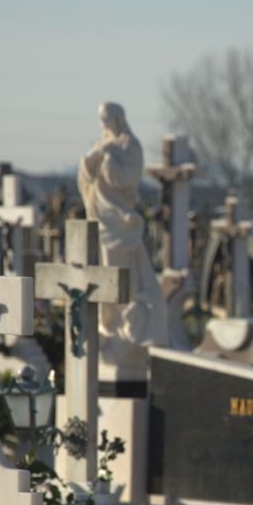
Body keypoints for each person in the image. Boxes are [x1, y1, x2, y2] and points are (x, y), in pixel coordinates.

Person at [78, 102, 167, 353]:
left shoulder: (130, 145)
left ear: (118, 118)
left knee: (122, 275)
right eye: (100, 119)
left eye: (107, 118)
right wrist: (95, 157)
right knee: (103, 271)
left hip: (120, 222)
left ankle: (126, 323)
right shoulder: (102, 145)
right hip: (100, 217)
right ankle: (108, 324)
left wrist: (108, 158)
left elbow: (125, 179)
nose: (103, 124)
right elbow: (85, 174)